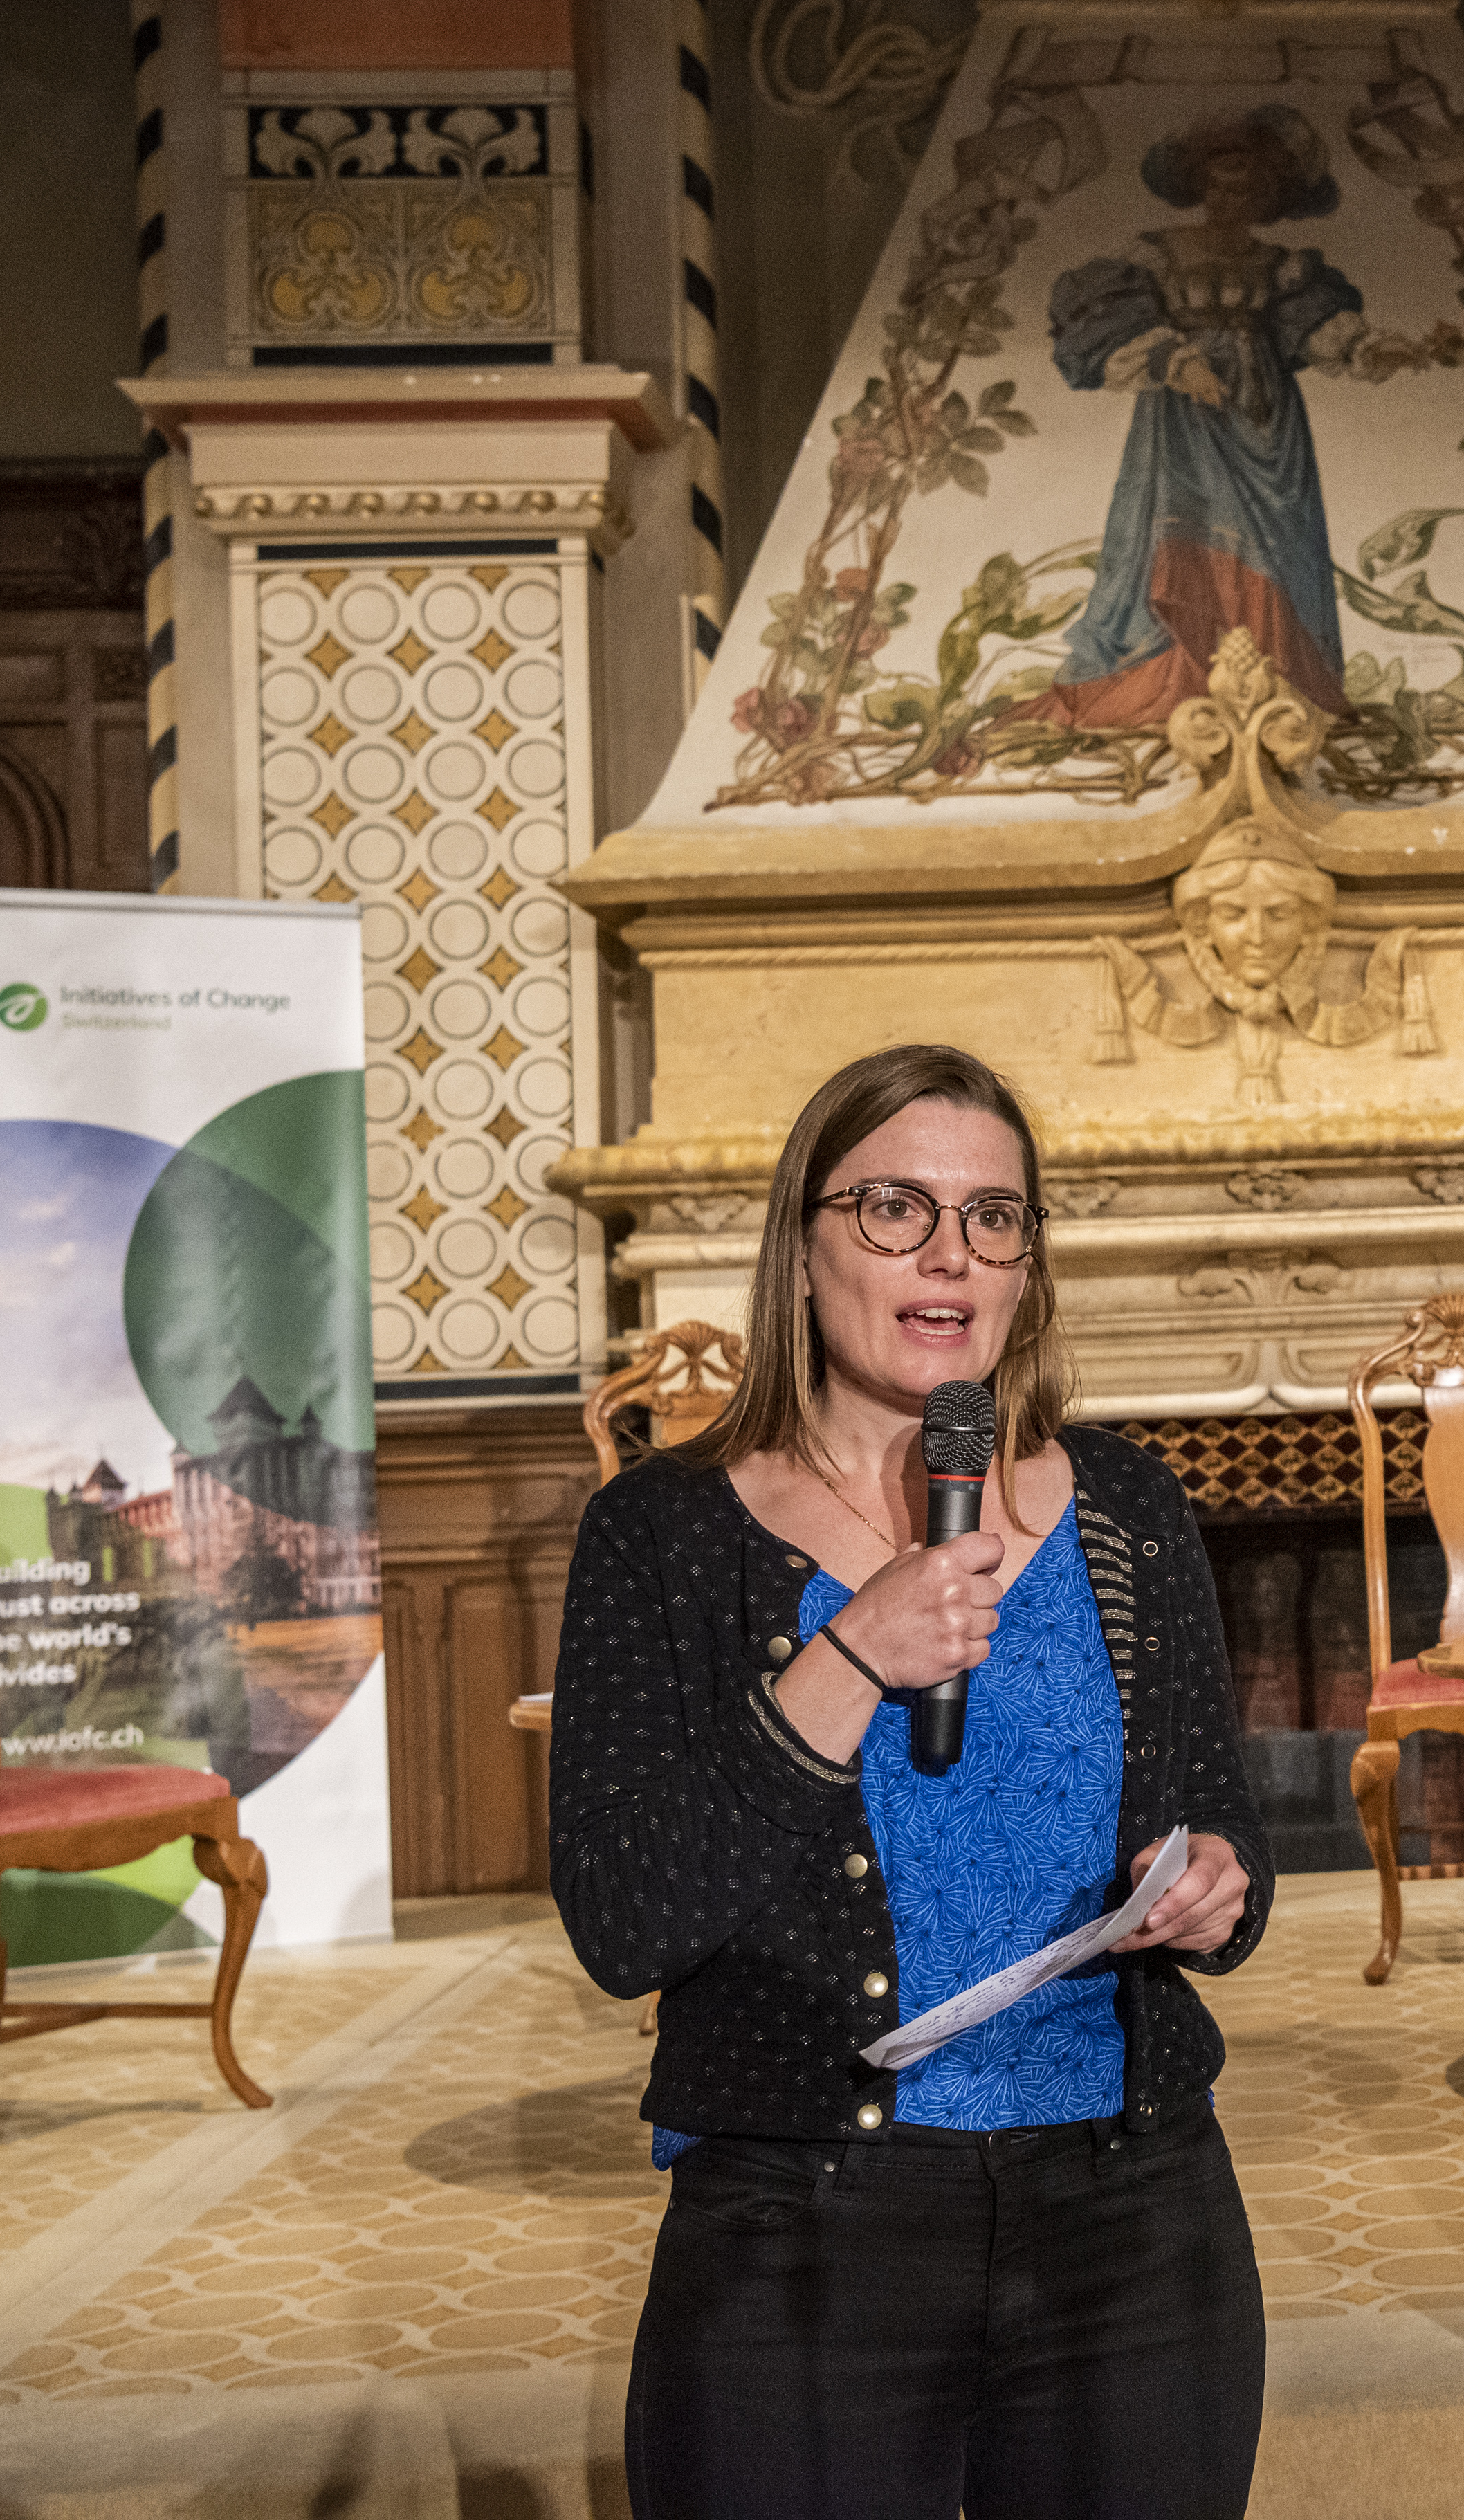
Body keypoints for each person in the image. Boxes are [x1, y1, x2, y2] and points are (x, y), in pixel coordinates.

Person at [552, 1044, 1272, 2520]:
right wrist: (850, 1656)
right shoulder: (663, 1532)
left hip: (1130, 2209)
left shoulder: (1126, 1501)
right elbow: (625, 1919)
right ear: (802, 1245)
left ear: (1027, 1267)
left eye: (993, 1216)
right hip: (801, 2229)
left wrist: (1214, 1882)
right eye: (893, 1207)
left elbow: (1217, 1813)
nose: (950, 1252)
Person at [1030, 106, 1431, 731]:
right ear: (1199, 184)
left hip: (1268, 416)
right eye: (1217, 184)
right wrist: (1173, 358)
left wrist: (1370, 348)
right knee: (1183, 519)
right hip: (1186, 410)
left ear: (1267, 195)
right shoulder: (1156, 252)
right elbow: (1106, 317)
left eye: (1243, 188)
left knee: (1278, 541)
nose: (1226, 198)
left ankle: (1285, 682)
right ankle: (1174, 675)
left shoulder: (1285, 266)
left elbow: (1315, 329)